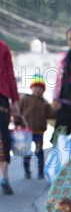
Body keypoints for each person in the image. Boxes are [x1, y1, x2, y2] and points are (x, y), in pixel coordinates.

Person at [15, 75, 55, 179]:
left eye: (40, 87)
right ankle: (27, 171)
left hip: (38, 133)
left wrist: (56, 108)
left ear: (43, 90)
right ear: (31, 87)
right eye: (36, 86)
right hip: (26, 132)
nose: (38, 89)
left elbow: (51, 114)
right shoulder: (25, 99)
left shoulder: (45, 103)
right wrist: (16, 122)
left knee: (39, 152)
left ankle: (40, 172)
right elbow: (18, 112)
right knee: (26, 152)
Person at [0, 40, 20, 194]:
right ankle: (4, 177)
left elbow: (9, 74)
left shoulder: (4, 47)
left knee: (3, 138)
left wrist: (15, 100)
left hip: (2, 98)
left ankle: (4, 177)